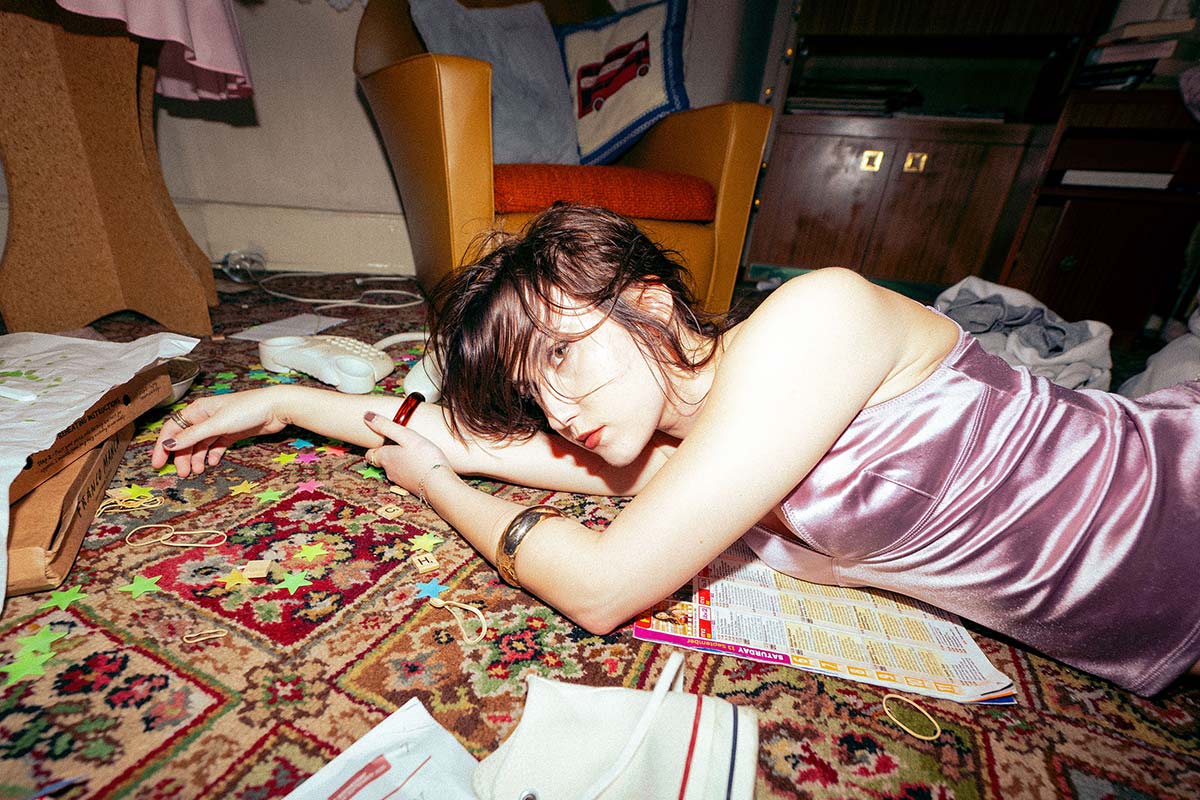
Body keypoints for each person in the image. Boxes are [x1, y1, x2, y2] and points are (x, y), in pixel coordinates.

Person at [153, 204, 1200, 697]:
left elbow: (602, 585)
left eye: (563, 352)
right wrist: (282, 400)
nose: (556, 407)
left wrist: (430, 484)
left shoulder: (814, 318)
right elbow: (457, 435)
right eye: (532, 389)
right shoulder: (672, 454)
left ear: (649, 301)